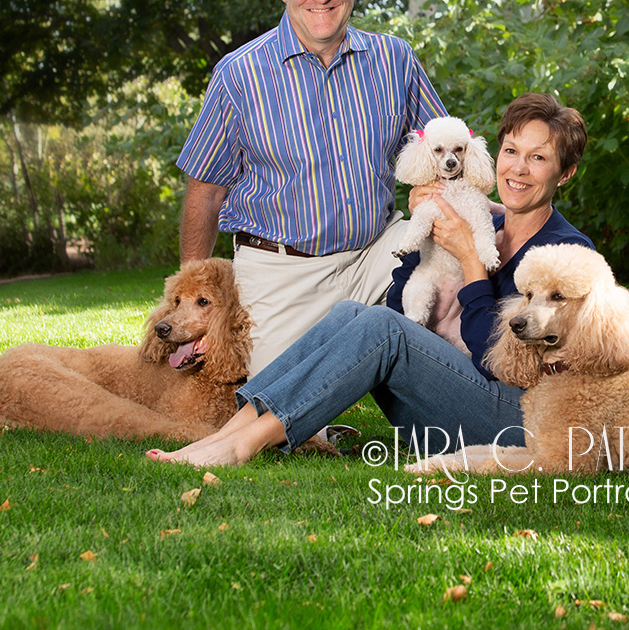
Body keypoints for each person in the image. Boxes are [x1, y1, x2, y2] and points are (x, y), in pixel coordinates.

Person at [148, 93, 595, 467]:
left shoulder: (564, 254)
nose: (518, 168)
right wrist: (422, 251)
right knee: (353, 314)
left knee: (381, 327)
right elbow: (403, 302)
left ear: (566, 172)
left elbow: (502, 363)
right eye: (512, 151)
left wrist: (471, 265)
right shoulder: (484, 222)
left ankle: (245, 444)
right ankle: (225, 433)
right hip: (445, 411)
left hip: (516, 424)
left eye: (539, 158)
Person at [176, 0, 447, 374]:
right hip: (281, 272)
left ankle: (487, 390)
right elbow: (205, 191)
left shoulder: (394, 59)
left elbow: (442, 151)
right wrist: (194, 301)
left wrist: (505, 210)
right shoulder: (238, 75)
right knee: (277, 416)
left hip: (377, 252)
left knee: (468, 249)